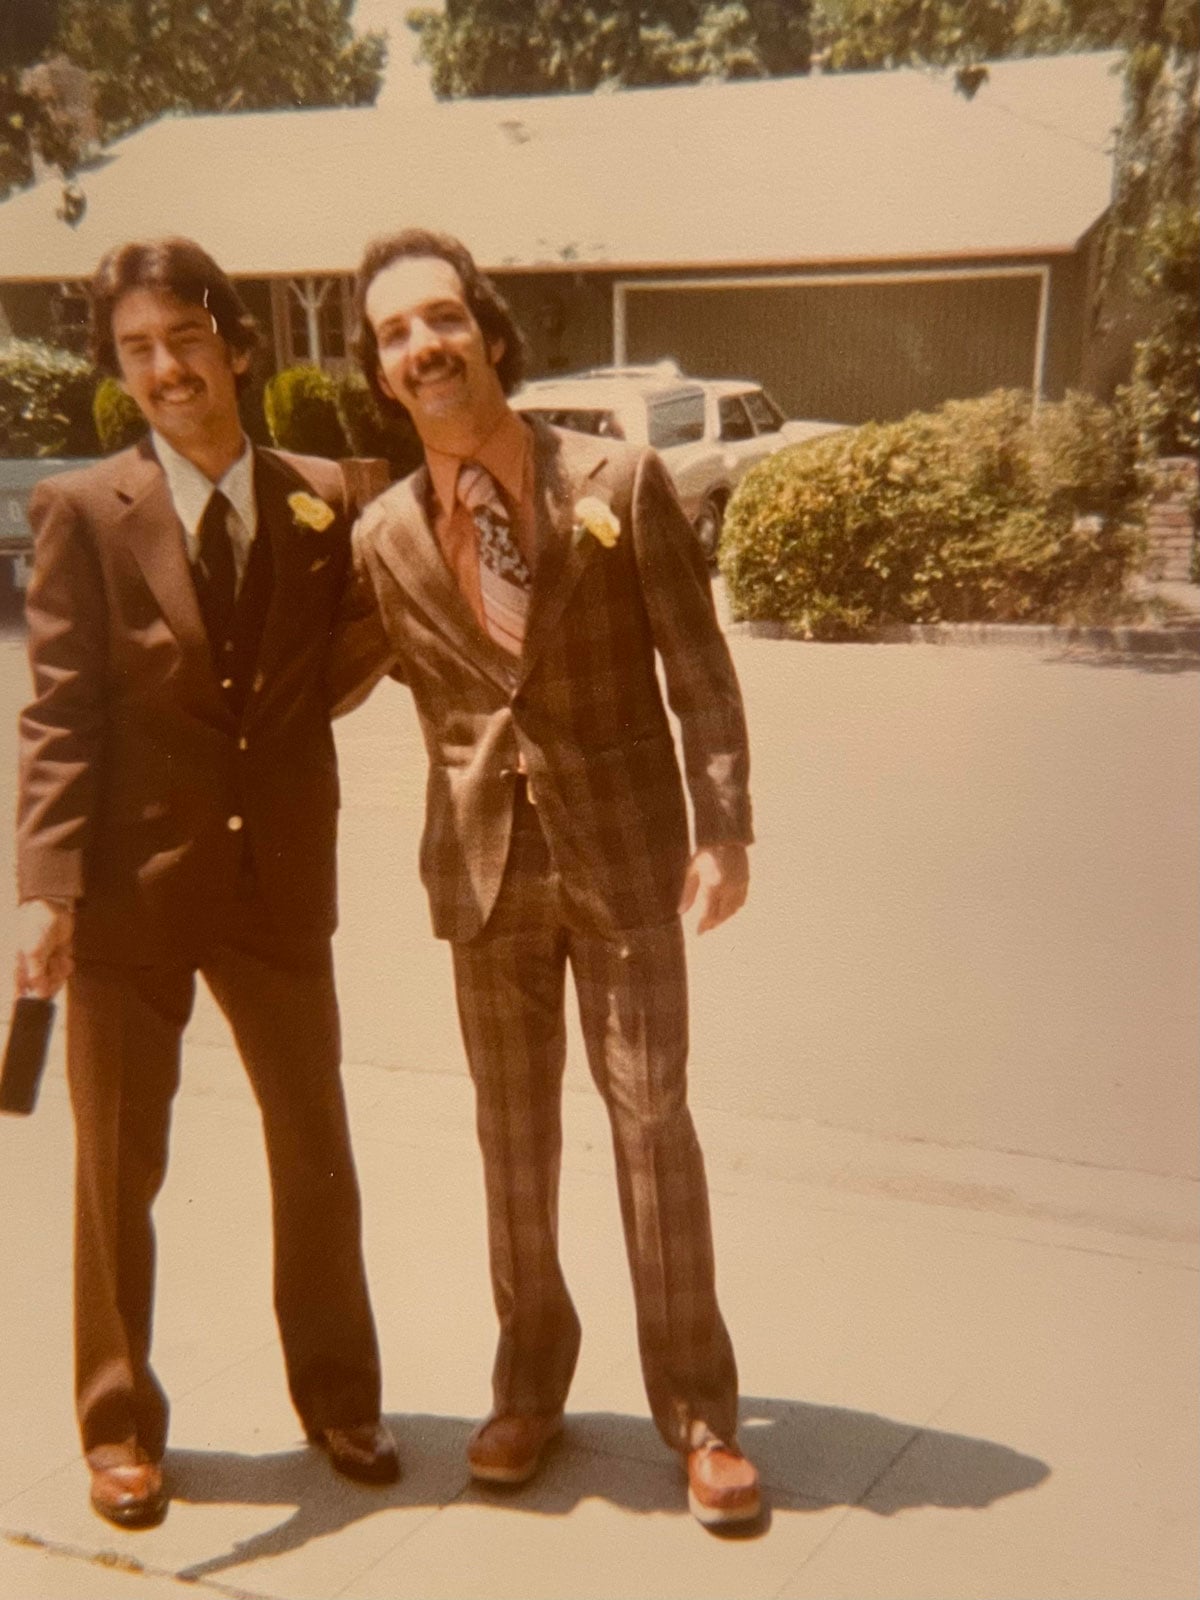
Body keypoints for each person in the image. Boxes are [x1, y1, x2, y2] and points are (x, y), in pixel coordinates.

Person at [333, 228, 761, 1527]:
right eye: (397, 333)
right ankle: (529, 1382)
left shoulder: (617, 479)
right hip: (483, 871)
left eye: (442, 318)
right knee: (511, 1143)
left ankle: (697, 1414)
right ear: (384, 371)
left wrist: (726, 822)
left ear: (488, 330)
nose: (426, 345)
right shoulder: (383, 538)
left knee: (650, 1125)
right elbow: (315, 683)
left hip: (626, 851)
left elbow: (696, 662)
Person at [14, 237, 398, 1530]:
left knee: (317, 1152)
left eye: (185, 338)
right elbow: (60, 716)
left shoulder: (324, 495)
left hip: (278, 878)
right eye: (138, 351)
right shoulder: (81, 511)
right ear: (119, 372)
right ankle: (119, 1426)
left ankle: (341, 1396)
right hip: (128, 893)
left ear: (234, 343)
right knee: (116, 1168)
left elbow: (354, 651)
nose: (166, 369)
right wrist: (46, 887)